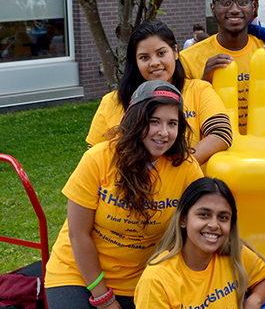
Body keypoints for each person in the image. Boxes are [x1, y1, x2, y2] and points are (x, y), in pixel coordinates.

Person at [45, 80, 204, 309]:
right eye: (154, 122)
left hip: (139, 280)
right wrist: (104, 298)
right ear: (135, 120)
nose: (164, 132)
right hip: (78, 273)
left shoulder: (186, 168)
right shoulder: (98, 159)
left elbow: (201, 223)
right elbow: (78, 235)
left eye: (172, 123)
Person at [86, 20, 232, 165]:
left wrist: (178, 169)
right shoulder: (112, 101)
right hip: (130, 185)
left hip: (189, 185)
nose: (154, 62)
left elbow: (221, 133)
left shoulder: (198, 90)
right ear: (135, 62)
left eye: (161, 53)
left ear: (175, 52)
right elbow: (94, 154)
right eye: (144, 57)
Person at [135, 177, 265, 309]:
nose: (214, 225)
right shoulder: (155, 281)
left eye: (223, 217)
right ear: (183, 219)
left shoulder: (235, 255)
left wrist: (254, 301)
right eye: (204, 215)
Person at [180, 0, 265, 135]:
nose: (235, 9)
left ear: (253, 7)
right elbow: (182, 116)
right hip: (215, 153)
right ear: (213, 8)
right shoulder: (187, 59)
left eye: (242, 2)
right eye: (225, 2)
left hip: (264, 150)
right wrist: (204, 83)